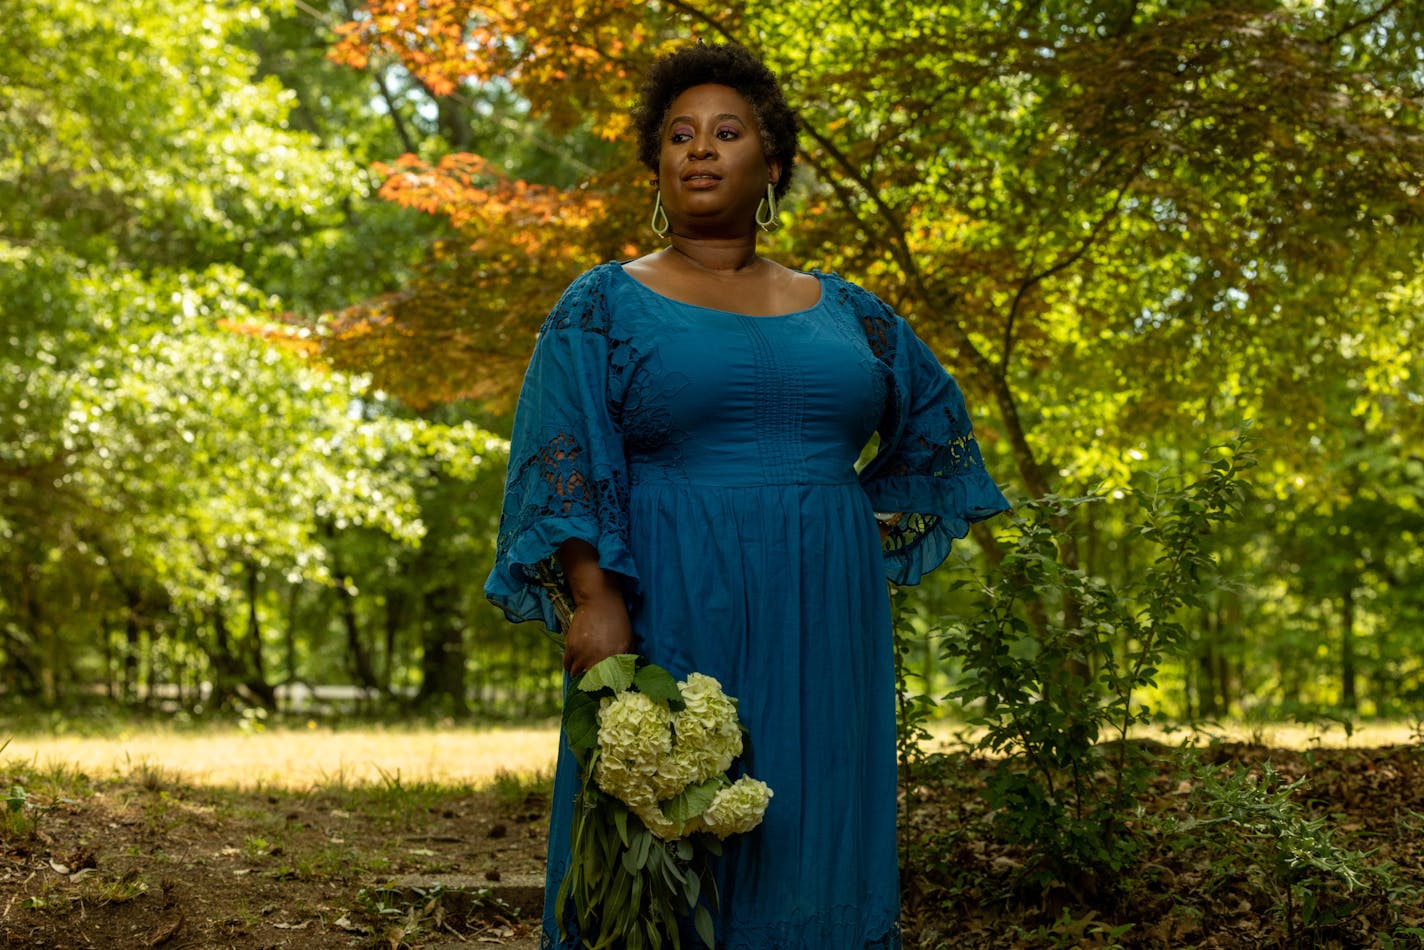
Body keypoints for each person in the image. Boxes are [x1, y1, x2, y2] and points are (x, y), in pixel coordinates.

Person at [485, 42, 1009, 950]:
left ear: (771, 166)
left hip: (825, 613)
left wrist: (841, 527)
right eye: (679, 135)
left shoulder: (855, 312)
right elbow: (562, 449)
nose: (699, 149)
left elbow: (934, 426)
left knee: (814, 815)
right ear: (656, 165)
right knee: (666, 823)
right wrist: (596, 598)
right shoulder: (603, 302)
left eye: (726, 133)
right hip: (673, 595)